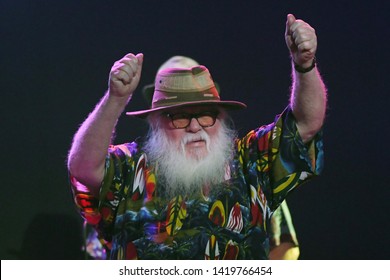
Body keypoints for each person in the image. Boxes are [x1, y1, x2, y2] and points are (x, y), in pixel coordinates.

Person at [67, 14, 327, 259]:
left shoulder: (249, 162)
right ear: (156, 123)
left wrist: (304, 66)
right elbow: (83, 167)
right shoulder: (130, 167)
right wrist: (115, 99)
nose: (195, 127)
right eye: (179, 117)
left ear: (221, 118)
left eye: (206, 115)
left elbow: (306, 124)